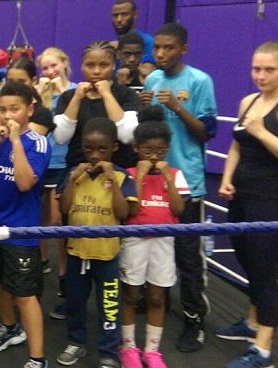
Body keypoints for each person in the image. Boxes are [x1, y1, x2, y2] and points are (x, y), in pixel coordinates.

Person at [141, 22, 218, 353]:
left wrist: (176, 106)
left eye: (168, 47)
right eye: (156, 47)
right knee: (153, 248)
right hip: (153, 182)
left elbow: (207, 132)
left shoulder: (200, 81)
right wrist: (144, 111)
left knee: (188, 256)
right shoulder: (151, 79)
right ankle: (157, 301)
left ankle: (194, 319)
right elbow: (145, 132)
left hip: (187, 182)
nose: (160, 53)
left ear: (183, 48)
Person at [0, 81, 51, 368]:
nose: (7, 116)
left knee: (24, 295)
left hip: (20, 229)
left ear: (29, 110)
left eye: (14, 110)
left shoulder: (37, 142)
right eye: (2, 110)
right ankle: (9, 326)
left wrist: (15, 141)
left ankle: (38, 358)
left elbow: (25, 182)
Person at [216, 41, 278, 368]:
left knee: (265, 270)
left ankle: (263, 351)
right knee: (247, 261)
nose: (260, 75)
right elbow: (235, 147)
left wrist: (261, 132)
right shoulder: (249, 101)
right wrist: (227, 178)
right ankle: (253, 322)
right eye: (256, 68)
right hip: (241, 197)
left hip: (271, 201)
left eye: (269, 69)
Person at [55, 117, 139, 368]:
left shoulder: (122, 177)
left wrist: (112, 180)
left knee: (109, 306)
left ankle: (109, 352)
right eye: (88, 148)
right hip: (77, 252)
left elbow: (124, 213)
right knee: (75, 302)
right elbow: (64, 207)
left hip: (107, 255)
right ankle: (76, 342)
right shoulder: (74, 175)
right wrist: (72, 179)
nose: (94, 155)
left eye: (101, 149)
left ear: (114, 147)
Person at [119, 106, 189, 368]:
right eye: (148, 151)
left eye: (160, 152)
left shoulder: (175, 174)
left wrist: (168, 180)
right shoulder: (128, 174)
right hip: (135, 240)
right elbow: (131, 210)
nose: (154, 158)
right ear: (136, 148)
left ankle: (152, 350)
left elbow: (179, 209)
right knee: (130, 295)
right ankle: (128, 347)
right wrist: (138, 177)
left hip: (163, 242)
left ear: (167, 151)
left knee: (158, 297)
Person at [52, 40, 141, 171]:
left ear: (113, 66)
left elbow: (127, 136)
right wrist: (77, 98)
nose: (97, 71)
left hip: (118, 172)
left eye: (104, 65)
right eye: (90, 65)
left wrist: (106, 94)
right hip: (78, 170)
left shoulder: (127, 95)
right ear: (82, 66)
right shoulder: (68, 97)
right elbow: (60, 138)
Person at [35, 47, 76, 299]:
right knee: (39, 218)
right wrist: (38, 91)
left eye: (54, 66)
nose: (50, 72)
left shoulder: (75, 89)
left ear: (64, 63)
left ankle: (64, 272)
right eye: (45, 68)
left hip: (64, 162)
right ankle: (41, 263)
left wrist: (62, 90)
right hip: (41, 162)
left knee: (58, 220)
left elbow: (78, 117)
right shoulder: (41, 92)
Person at [110, 0, 154, 65]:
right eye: (115, 15)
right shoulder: (113, 41)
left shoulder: (148, 42)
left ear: (135, 15)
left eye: (124, 14)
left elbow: (147, 70)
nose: (119, 19)